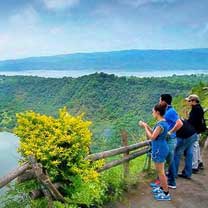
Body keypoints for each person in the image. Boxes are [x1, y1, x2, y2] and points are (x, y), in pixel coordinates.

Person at [139, 104, 171, 201]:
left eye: (153, 111)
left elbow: (152, 137)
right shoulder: (163, 122)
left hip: (159, 149)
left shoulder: (160, 124)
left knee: (161, 172)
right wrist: (147, 126)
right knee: (161, 171)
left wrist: (144, 127)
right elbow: (155, 133)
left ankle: (166, 193)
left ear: (157, 112)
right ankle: (162, 188)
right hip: (162, 147)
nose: (152, 113)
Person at [159, 94, 183, 189]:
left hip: (170, 139)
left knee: (169, 160)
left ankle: (171, 182)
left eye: (160, 100)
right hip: (167, 139)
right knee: (166, 160)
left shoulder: (171, 111)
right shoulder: (167, 110)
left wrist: (170, 132)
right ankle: (163, 181)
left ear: (164, 101)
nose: (159, 102)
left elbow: (180, 123)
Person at [185, 94, 206, 172]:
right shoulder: (198, 108)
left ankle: (194, 166)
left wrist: (185, 121)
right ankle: (199, 162)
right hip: (198, 130)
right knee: (196, 146)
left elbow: (192, 121)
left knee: (194, 147)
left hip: (195, 130)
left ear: (193, 101)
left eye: (189, 101)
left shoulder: (196, 109)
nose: (188, 102)